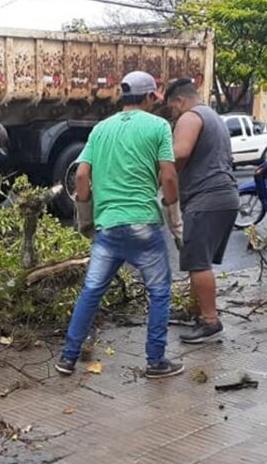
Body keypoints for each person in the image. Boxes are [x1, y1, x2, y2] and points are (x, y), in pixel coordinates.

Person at [55, 70, 184, 379]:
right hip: (143, 224)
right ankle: (156, 361)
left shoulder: (100, 129)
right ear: (150, 97)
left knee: (91, 291)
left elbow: (82, 176)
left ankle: (68, 358)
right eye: (155, 98)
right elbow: (168, 176)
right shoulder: (158, 127)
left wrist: (85, 220)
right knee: (159, 292)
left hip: (109, 227)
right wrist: (176, 224)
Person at [164, 77, 239, 343]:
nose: (173, 114)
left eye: (172, 108)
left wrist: (156, 165)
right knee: (198, 258)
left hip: (206, 198)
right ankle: (194, 310)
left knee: (198, 262)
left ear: (180, 101)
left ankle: (209, 320)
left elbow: (180, 153)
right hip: (223, 196)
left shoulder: (190, 116)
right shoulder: (213, 117)